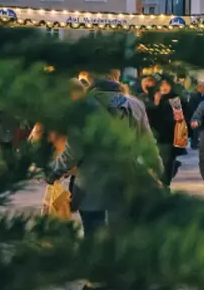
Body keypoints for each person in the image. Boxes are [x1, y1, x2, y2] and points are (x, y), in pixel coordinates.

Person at [55, 72, 153, 236]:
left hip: (90, 182)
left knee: (93, 229)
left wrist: (55, 170)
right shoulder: (135, 106)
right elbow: (146, 142)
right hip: (125, 177)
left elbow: (74, 151)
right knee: (120, 228)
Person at [147, 77, 187, 187]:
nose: (164, 88)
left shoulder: (175, 100)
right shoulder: (153, 98)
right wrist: (156, 103)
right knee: (159, 161)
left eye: (167, 85)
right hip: (155, 135)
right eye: (162, 85)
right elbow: (149, 117)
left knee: (167, 161)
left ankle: (165, 184)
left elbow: (179, 119)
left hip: (169, 136)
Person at [183, 80, 204, 151]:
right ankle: (194, 144)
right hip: (195, 116)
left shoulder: (203, 96)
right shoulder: (194, 96)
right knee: (195, 131)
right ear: (198, 88)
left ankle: (198, 143)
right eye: (203, 88)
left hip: (201, 116)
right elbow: (191, 107)